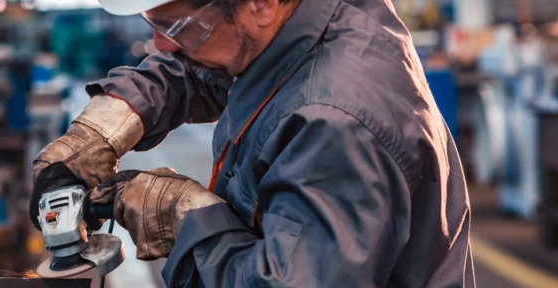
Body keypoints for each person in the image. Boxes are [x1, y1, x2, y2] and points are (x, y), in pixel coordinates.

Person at [29, 0, 475, 287]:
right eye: (154, 22)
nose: (161, 43)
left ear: (260, 4)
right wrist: (102, 129)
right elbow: (195, 69)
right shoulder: (293, 25)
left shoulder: (336, 124)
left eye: (176, 24)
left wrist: (182, 215)